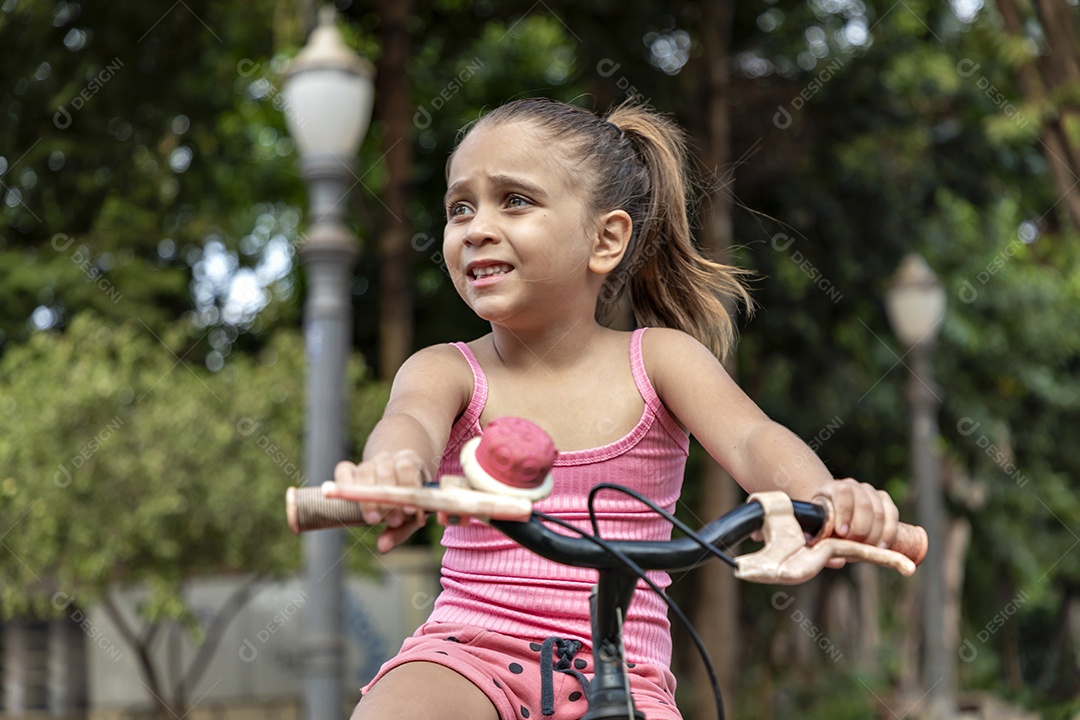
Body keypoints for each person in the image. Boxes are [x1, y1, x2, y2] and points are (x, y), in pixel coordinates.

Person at [329, 97, 902, 720]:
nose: (476, 227)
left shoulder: (659, 360)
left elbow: (752, 440)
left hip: (624, 671)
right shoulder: (446, 369)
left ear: (606, 239)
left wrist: (826, 497)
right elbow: (408, 423)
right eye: (459, 207)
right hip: (468, 654)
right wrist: (393, 469)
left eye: (514, 200)